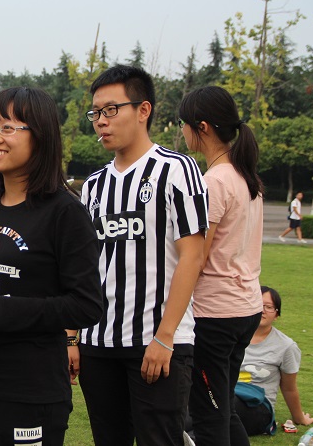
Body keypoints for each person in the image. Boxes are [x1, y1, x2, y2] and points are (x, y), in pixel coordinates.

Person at [0, 87, 103, 445]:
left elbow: (86, 305)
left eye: (8, 127)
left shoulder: (65, 212)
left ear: (40, 136)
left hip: (29, 389)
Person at [79, 65, 208, 446]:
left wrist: (165, 338)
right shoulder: (94, 185)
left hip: (158, 343)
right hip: (98, 342)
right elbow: (86, 266)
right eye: (96, 112)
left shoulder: (177, 170)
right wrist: (73, 337)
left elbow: (192, 257)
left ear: (143, 110)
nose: (101, 121)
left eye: (111, 110)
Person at [178, 86, 264, 446]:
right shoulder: (246, 176)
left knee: (209, 414)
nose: (182, 131)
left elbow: (197, 256)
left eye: (183, 124)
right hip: (245, 307)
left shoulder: (213, 182)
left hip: (216, 315)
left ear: (202, 127)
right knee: (224, 409)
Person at [236, 286, 313, 435]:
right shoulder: (232, 337)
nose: (263, 310)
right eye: (258, 304)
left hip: (258, 408)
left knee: (222, 406)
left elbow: (289, 388)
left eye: (269, 307)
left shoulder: (286, 346)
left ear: (277, 315)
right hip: (227, 397)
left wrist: (299, 418)